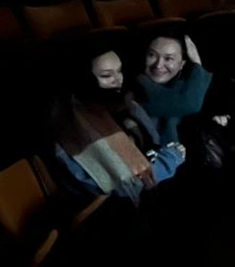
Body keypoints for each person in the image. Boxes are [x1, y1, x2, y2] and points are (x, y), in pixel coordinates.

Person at [53, 46, 186, 203]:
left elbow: (154, 143)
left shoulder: (127, 104)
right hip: (114, 210)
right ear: (85, 80)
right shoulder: (73, 128)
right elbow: (121, 187)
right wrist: (170, 159)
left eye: (119, 71)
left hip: (152, 186)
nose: (118, 79)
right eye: (107, 75)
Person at [135, 31, 216, 144]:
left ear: (181, 64)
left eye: (168, 59)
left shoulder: (183, 86)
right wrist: (197, 63)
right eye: (152, 55)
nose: (158, 65)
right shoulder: (139, 85)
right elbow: (189, 104)